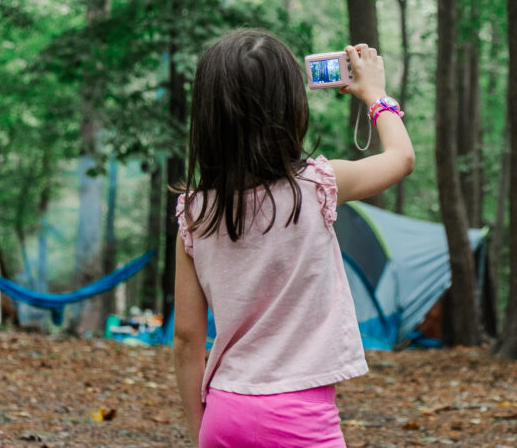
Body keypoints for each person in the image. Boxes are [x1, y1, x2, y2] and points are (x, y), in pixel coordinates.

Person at [172, 29, 415, 447]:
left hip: (224, 412)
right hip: (299, 418)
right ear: (290, 108)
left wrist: (200, 431)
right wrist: (375, 95)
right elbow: (401, 158)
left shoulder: (195, 214)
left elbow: (187, 338)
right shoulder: (318, 184)